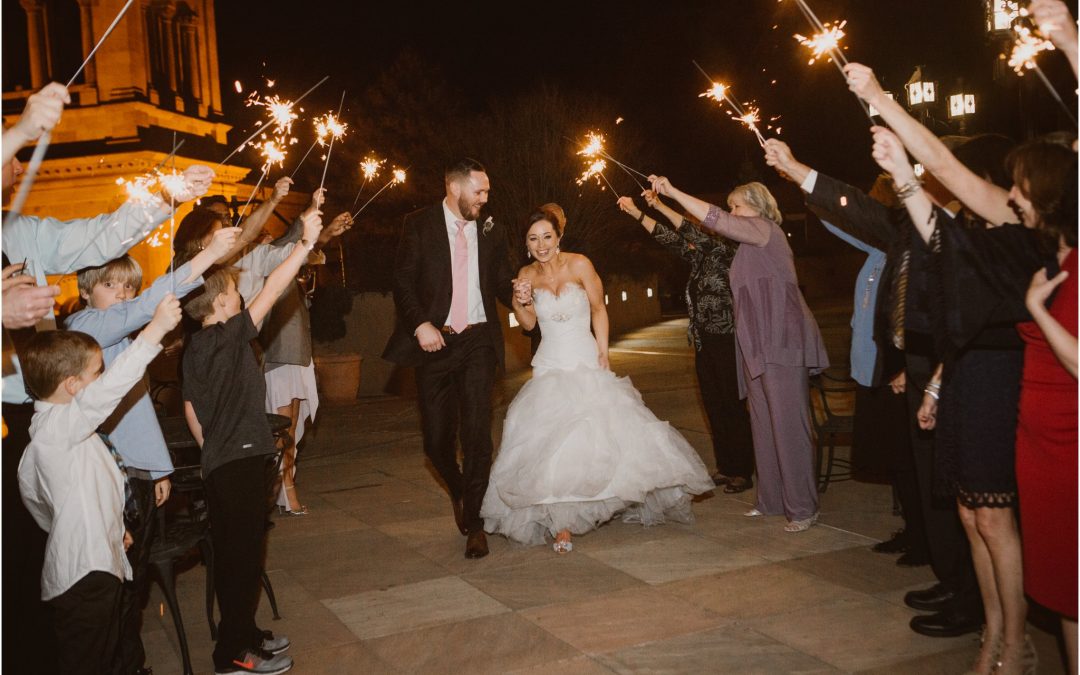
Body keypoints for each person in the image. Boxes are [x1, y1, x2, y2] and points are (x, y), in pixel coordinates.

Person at [849, 64, 1074, 671]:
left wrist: (880, 98)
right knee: (973, 514)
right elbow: (941, 231)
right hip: (973, 381)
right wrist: (900, 175)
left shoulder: (1038, 242)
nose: (1010, 191)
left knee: (998, 520)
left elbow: (947, 176)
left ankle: (1013, 641)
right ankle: (994, 631)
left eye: (1021, 185)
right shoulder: (1007, 237)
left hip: (1014, 391)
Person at [1, 80, 212, 674]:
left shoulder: (18, 232)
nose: (18, 166)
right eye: (8, 152)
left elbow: (95, 236)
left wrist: (167, 196)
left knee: (58, 563)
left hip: (38, 415)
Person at [764, 132, 983, 635]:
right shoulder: (906, 228)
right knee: (933, 483)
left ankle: (970, 597)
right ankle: (953, 582)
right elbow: (860, 211)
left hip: (957, 373)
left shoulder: (960, 231)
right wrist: (798, 170)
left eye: (926, 172)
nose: (918, 180)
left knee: (963, 495)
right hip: (918, 368)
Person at [481, 207, 713, 553]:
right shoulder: (526, 273)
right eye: (533, 239)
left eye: (547, 236)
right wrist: (520, 301)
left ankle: (586, 509)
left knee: (594, 438)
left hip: (584, 356)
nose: (541, 244)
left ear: (558, 237)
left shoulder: (580, 264)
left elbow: (598, 308)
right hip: (549, 364)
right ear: (526, 245)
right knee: (551, 444)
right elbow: (529, 325)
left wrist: (603, 351)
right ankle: (562, 523)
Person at [64, 225, 240, 675]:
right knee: (117, 586)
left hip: (135, 477)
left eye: (128, 286)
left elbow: (138, 413)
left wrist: (159, 469)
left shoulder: (115, 336)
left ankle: (128, 662)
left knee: (132, 582)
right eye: (110, 285)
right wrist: (207, 256)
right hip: (110, 481)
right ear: (85, 292)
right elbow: (146, 308)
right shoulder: (85, 331)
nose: (122, 295)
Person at [181, 210, 323, 675]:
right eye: (235, 290)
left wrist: (213, 449)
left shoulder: (196, 348)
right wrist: (303, 246)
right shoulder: (225, 338)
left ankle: (244, 633)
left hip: (227, 461)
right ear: (221, 302)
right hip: (237, 462)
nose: (243, 293)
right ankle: (232, 657)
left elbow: (192, 411)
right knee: (240, 561)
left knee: (243, 552)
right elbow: (272, 291)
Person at [648, 176, 828, 532]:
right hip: (754, 344)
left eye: (737, 206)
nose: (731, 212)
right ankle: (773, 500)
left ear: (758, 207)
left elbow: (714, 219)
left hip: (780, 340)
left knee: (789, 426)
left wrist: (673, 191)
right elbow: (699, 230)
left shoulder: (765, 231)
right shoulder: (745, 246)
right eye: (730, 206)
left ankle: (804, 507)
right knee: (763, 425)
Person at [17, 294, 182, 675]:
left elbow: (44, 501)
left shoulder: (57, 432)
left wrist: (106, 530)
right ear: (73, 386)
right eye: (97, 373)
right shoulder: (58, 430)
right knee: (87, 663)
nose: (102, 380)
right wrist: (154, 330)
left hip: (93, 563)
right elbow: (109, 393)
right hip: (84, 578)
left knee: (104, 656)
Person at [382, 158, 514, 559]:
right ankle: (459, 488)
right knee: (436, 442)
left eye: (487, 191)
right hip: (436, 343)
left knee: (477, 433)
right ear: (455, 189)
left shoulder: (493, 230)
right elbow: (402, 281)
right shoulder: (419, 225)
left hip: (478, 342)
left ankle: (476, 524)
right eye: (480, 191)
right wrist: (421, 323)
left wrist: (520, 293)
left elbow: (501, 281)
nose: (485, 199)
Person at [616, 192, 755, 493]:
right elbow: (670, 238)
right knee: (713, 403)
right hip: (704, 339)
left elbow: (687, 232)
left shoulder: (727, 249)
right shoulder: (701, 255)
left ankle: (743, 469)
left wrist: (660, 204)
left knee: (731, 403)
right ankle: (727, 465)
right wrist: (637, 213)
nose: (699, 229)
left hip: (727, 336)